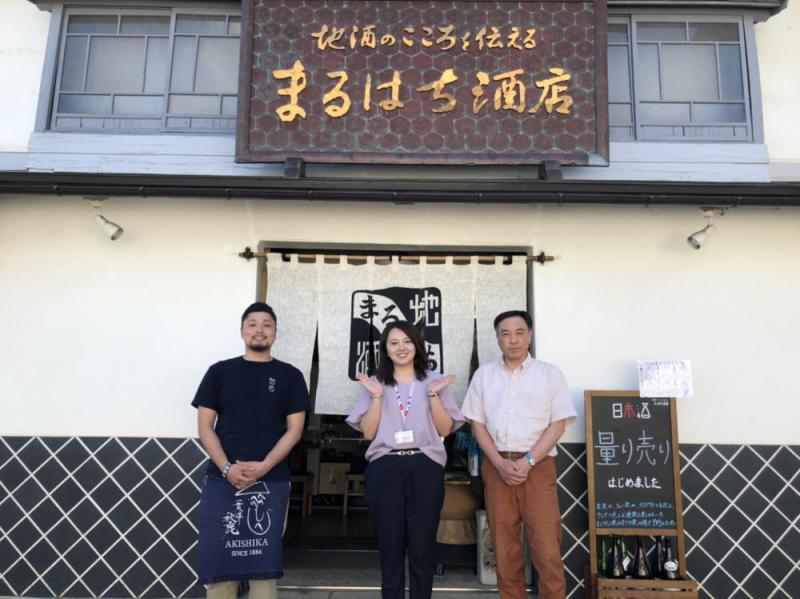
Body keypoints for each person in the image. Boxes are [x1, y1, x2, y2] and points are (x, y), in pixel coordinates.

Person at [192, 302, 309, 599]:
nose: (259, 330)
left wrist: (265, 466)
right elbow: (205, 427)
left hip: (271, 480)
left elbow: (294, 430)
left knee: (263, 563)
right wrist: (227, 468)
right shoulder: (219, 372)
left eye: (267, 325)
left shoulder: (290, 376)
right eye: (252, 324)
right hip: (222, 480)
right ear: (242, 331)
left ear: (276, 333)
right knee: (220, 559)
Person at [461, 310, 576, 599]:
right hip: (496, 464)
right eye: (505, 333)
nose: (513, 339)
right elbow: (477, 424)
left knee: (547, 547)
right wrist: (498, 462)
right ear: (497, 338)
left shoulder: (550, 374)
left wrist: (528, 461)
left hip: (538, 466)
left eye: (519, 332)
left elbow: (558, 423)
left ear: (530, 335)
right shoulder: (484, 375)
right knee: (504, 547)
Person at [347, 321, 464, 599]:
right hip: (385, 466)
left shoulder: (434, 380)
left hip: (425, 465)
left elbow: (446, 428)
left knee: (423, 547)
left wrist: (433, 394)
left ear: (417, 346)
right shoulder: (376, 383)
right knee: (390, 546)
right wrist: (377, 397)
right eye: (394, 343)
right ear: (385, 350)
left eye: (407, 341)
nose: (401, 348)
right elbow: (368, 433)